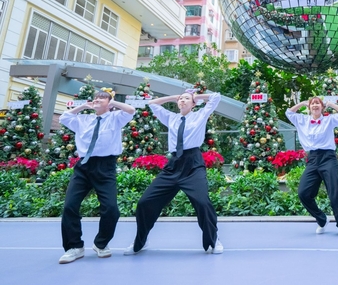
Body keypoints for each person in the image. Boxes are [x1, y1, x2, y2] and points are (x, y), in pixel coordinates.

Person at [124, 90, 223, 255]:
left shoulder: (200, 115)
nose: (183, 101)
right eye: (181, 99)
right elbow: (152, 104)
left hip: (193, 164)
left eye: (186, 99)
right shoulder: (171, 117)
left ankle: (213, 239)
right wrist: (173, 97)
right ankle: (141, 240)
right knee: (145, 202)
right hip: (174, 164)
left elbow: (216, 97)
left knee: (203, 203)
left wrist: (196, 97)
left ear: (193, 104)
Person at [58, 88, 135, 264]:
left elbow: (131, 110)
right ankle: (74, 247)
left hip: (105, 167)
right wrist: (83, 107)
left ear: (109, 103)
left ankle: (101, 243)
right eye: (96, 98)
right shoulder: (83, 119)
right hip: (83, 167)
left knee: (111, 209)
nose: (97, 100)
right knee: (70, 206)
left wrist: (112, 102)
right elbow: (64, 118)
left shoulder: (115, 118)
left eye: (102, 98)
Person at [286, 96, 338, 237]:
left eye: (318, 103)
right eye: (312, 103)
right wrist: (301, 103)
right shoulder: (302, 120)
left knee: (334, 193)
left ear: (322, 107)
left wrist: (331, 104)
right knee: (303, 193)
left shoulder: (329, 120)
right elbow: (288, 113)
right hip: (313, 158)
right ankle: (322, 219)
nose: (315, 105)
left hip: (328, 158)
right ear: (309, 107)